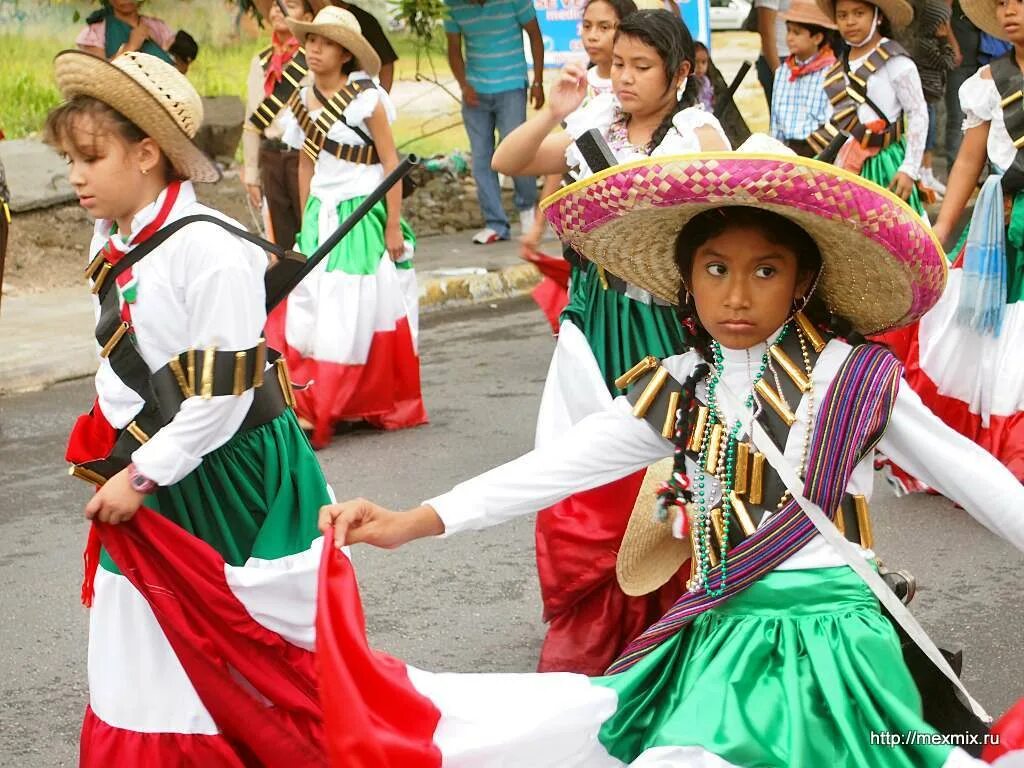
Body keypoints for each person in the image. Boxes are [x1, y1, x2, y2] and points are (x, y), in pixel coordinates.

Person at [318, 136, 1024, 767]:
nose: (737, 295)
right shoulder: (684, 386)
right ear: (688, 279)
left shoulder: (857, 377)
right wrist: (415, 519)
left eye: (766, 271)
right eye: (715, 269)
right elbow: (554, 468)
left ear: (804, 280)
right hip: (716, 637)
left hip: (835, 647)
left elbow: (978, 479)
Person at [45, 50, 334, 764]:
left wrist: (141, 475)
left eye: (91, 156)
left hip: (221, 473)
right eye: (70, 159)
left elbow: (221, 397)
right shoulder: (111, 232)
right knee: (139, 646)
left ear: (147, 153)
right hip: (157, 459)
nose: (75, 175)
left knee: (236, 654)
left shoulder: (209, 252)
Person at [494, 10, 730, 674]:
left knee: (657, 469)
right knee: (579, 466)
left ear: (679, 73)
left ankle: (665, 618)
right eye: (617, 64)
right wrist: (554, 112)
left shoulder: (696, 136)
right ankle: (594, 613)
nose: (623, 77)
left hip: (660, 327)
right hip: (592, 322)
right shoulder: (596, 125)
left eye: (641, 67)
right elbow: (507, 160)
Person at [876, 0, 1024, 489]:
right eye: (1001, 3)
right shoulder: (988, 84)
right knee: (975, 343)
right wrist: (940, 234)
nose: (1009, 11)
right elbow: (967, 163)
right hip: (999, 235)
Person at [271, 5, 427, 448]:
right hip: (321, 214)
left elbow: (391, 163)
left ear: (345, 54)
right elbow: (306, 163)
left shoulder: (367, 98)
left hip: (363, 210)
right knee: (310, 305)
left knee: (353, 305)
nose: (313, 50)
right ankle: (311, 397)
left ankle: (336, 403)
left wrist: (393, 224)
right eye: (310, 41)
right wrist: (304, 224)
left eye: (324, 43)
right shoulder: (302, 98)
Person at [520, 0, 637, 257]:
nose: (592, 36)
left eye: (604, 27)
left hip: (632, 224)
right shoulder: (578, 86)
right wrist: (539, 226)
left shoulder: (636, 90)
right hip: (584, 222)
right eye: (587, 26)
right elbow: (562, 158)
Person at [814, 0, 929, 215]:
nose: (850, 21)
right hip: (845, 162)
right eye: (843, 15)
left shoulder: (896, 61)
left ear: (878, 16)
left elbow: (918, 114)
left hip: (884, 161)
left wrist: (909, 169)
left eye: (859, 13)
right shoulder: (837, 67)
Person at [445, 0, 546, 244]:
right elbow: (454, 49)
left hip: (511, 86)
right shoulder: (452, 4)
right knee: (482, 158)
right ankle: (496, 224)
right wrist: (464, 85)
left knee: (518, 151)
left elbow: (535, 36)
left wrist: (538, 82)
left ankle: (526, 211)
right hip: (475, 91)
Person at [244, 0, 323, 249]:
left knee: (313, 229)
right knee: (281, 239)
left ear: (308, 18)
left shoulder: (314, 60)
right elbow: (252, 123)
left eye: (290, 4)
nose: (278, 9)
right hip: (271, 155)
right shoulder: (261, 62)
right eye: (277, 4)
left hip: (306, 155)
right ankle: (291, 287)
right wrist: (251, 173)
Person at [769, 0, 837, 155]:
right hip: (786, 151)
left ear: (817, 38)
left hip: (818, 149)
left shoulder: (831, 72)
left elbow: (832, 120)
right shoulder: (783, 72)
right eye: (788, 31)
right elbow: (776, 121)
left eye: (797, 32)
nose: (789, 37)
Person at [915, 0, 959, 198]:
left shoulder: (928, 42)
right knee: (924, 134)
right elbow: (949, 62)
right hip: (923, 96)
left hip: (931, 96)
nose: (944, 28)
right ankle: (922, 174)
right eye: (941, 23)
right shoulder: (924, 44)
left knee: (930, 134)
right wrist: (944, 41)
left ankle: (928, 172)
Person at [329, 1, 400, 91]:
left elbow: (386, 63)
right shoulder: (309, 17)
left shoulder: (363, 20)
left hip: (349, 96)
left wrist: (381, 98)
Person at [76, 0, 175, 64]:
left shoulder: (158, 28)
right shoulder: (95, 32)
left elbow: (178, 69)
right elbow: (98, 75)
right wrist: (130, 47)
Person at [946, 0, 981, 165]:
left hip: (979, 61)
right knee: (957, 117)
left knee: (978, 118)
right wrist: (954, 47)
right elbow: (944, 15)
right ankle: (953, 167)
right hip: (960, 64)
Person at [755, 0, 791, 111]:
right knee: (784, 120)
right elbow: (765, 31)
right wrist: (779, 73)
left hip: (799, 57)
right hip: (778, 58)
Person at [693, 41, 714, 110]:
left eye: (703, 62)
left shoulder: (706, 81)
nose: (700, 66)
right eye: (696, 62)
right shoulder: (686, 83)